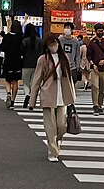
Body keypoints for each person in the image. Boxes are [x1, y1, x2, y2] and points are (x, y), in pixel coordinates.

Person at [31, 31, 77, 162]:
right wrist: (32, 100)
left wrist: (72, 96)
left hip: (62, 95)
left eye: (55, 44)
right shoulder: (43, 59)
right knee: (50, 125)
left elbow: (68, 79)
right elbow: (37, 79)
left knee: (62, 125)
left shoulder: (64, 58)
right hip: (48, 95)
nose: (53, 47)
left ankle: (57, 141)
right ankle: (52, 151)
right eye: (51, 45)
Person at [86, 23, 104, 114]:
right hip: (94, 68)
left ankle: (100, 104)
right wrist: (92, 64)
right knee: (95, 86)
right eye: (99, 31)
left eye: (102, 31)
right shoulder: (92, 42)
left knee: (102, 88)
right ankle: (95, 105)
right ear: (95, 31)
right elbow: (88, 55)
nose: (100, 33)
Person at [2, 20, 24, 108]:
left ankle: (8, 93)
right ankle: (13, 100)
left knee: (8, 80)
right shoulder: (21, 37)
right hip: (17, 61)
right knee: (15, 81)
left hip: (8, 60)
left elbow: (2, 47)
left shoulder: (7, 37)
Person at [21, 24, 42, 109]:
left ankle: (27, 94)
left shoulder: (24, 41)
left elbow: (21, 52)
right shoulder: (40, 41)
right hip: (37, 64)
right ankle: (32, 99)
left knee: (25, 82)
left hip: (26, 64)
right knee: (34, 83)